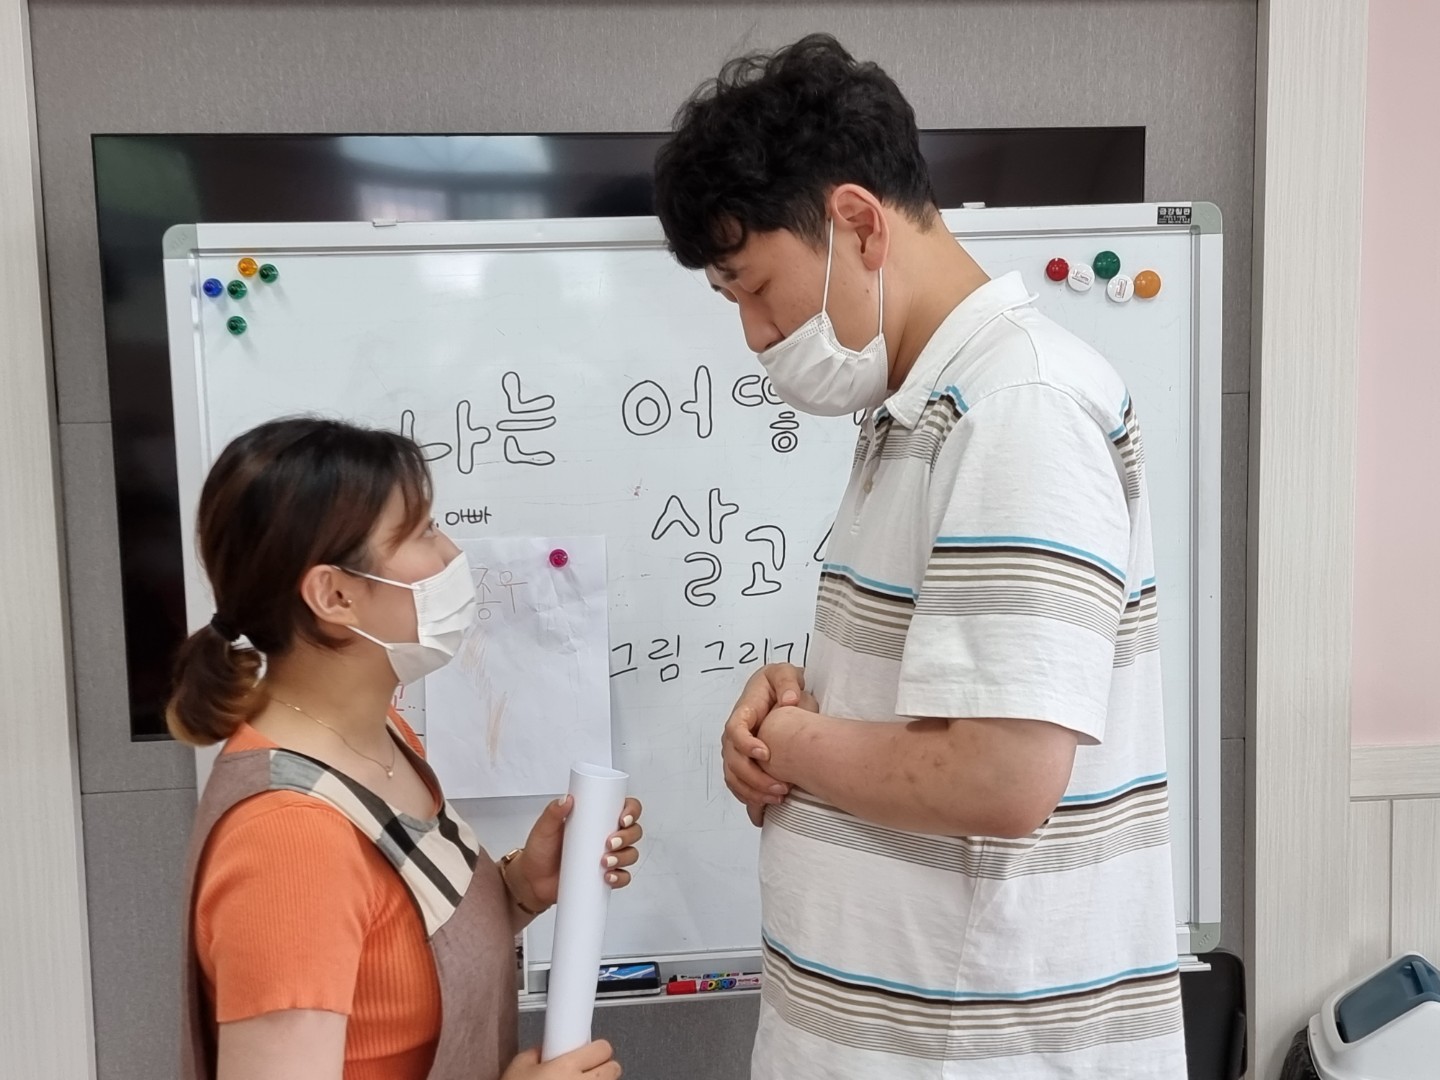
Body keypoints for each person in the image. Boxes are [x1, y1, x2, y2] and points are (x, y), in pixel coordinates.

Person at [654, 34, 1187, 1080]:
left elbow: (1001, 776)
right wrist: (792, 712)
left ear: (858, 223)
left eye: (754, 287)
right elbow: (934, 710)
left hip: (979, 1047)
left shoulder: (1019, 407)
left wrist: (794, 743)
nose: (755, 335)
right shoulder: (919, 409)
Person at [167, 417, 640, 1080]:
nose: (451, 553)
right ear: (335, 594)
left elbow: (393, 956)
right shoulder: (288, 837)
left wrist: (520, 887)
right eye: (422, 532)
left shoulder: (383, 734)